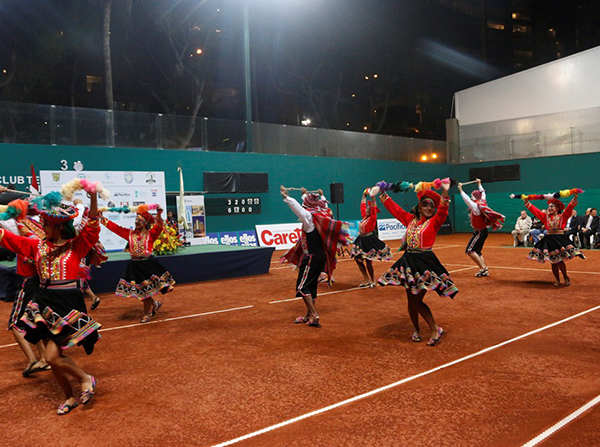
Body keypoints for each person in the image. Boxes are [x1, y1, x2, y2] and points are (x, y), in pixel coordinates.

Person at [0, 193, 102, 415]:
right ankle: (69, 397)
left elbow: (92, 226)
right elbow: (9, 239)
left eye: (45, 224)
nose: (42, 226)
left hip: (67, 304)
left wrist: (93, 198)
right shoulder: (37, 246)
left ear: (57, 227)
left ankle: (85, 378)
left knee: (51, 357)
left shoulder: (76, 246)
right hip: (44, 303)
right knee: (53, 360)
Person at [377, 183, 457, 346]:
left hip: (425, 262)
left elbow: (443, 210)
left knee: (416, 299)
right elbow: (395, 210)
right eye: (425, 204)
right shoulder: (410, 220)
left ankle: (435, 328)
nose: (429, 208)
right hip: (408, 262)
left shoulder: (435, 221)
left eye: (432, 206)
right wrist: (383, 194)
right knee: (410, 298)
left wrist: (445, 191)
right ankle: (417, 329)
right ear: (419, 207)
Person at [280, 186, 349, 328]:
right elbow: (319, 205)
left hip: (310, 258)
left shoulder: (309, 218)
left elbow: (298, 209)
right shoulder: (324, 214)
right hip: (320, 257)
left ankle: (314, 314)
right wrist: (319, 196)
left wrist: (286, 196)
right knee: (311, 287)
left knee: (302, 287)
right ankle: (308, 315)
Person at [101, 205, 175, 323]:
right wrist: (102, 219)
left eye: (139, 220)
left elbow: (160, 225)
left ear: (145, 222)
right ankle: (155, 303)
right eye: (135, 220)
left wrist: (159, 213)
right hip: (135, 266)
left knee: (145, 292)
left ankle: (147, 314)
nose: (136, 222)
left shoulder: (151, 233)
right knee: (140, 291)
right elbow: (115, 228)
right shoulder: (130, 234)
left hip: (148, 265)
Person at [0, 217, 49, 377]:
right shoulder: (42, 236)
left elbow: (5, 230)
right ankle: (43, 358)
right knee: (35, 321)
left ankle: (32, 359)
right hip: (40, 284)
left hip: (27, 283)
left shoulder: (27, 239)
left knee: (15, 324)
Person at [524, 194, 585, 286]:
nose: (549, 208)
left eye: (552, 206)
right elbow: (535, 211)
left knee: (560, 261)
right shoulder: (545, 217)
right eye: (549, 207)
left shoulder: (562, 216)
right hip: (549, 240)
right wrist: (527, 202)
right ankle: (557, 279)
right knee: (553, 261)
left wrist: (574, 199)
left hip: (559, 240)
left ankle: (565, 277)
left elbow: (569, 209)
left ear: (557, 208)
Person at [458, 179, 505, 277]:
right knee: (477, 251)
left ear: (475, 197)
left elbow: (466, 199)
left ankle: (483, 268)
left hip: (479, 232)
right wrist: (479, 184)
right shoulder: (482, 203)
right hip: (483, 231)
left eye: (472, 196)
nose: (471, 197)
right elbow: (483, 193)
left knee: (469, 250)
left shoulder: (476, 206)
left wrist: (460, 189)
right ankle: (483, 270)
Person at [350, 188, 392, 287]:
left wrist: (372, 196)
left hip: (369, 240)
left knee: (369, 262)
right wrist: (363, 197)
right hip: (361, 240)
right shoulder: (365, 217)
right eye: (367, 209)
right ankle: (366, 279)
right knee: (358, 260)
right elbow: (362, 206)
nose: (367, 210)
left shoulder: (372, 218)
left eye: (369, 209)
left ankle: (373, 280)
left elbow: (373, 208)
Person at [73, 198, 106, 310]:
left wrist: (79, 205)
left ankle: (81, 303)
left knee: (79, 279)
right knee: (80, 278)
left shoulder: (81, 223)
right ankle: (93, 297)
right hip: (83, 252)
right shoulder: (85, 223)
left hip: (82, 254)